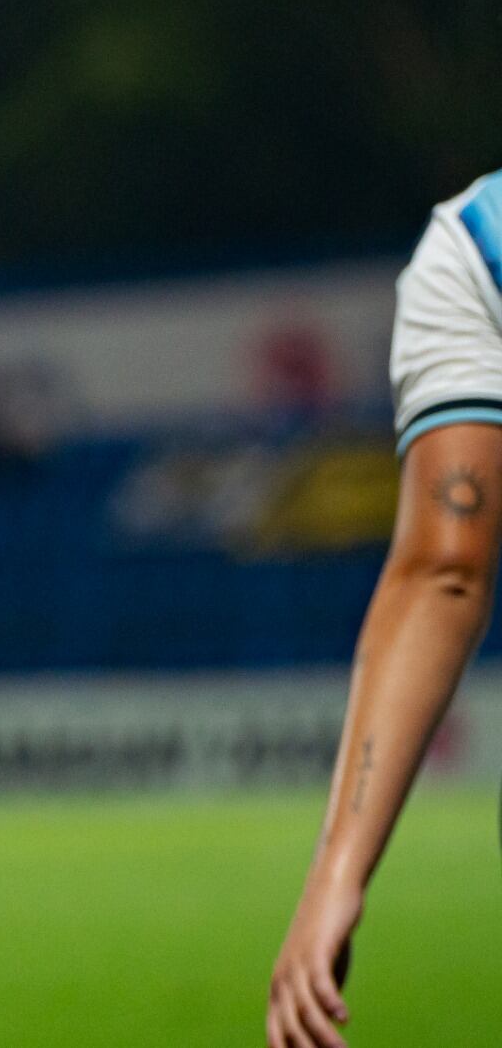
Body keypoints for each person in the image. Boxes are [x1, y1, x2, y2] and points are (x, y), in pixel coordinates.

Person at [269, 178, 502, 1048]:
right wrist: (338, 865)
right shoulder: (477, 252)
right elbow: (443, 570)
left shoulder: (477, 248)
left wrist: (341, 866)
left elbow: (445, 573)